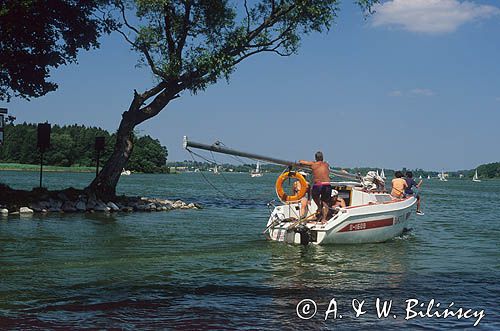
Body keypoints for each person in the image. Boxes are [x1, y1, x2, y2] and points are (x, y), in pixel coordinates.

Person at [299, 151, 331, 223]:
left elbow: (301, 162)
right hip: (327, 184)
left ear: (315, 158)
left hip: (318, 184)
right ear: (322, 158)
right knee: (325, 203)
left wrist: (302, 162)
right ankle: (324, 219)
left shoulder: (313, 164)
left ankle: (319, 207)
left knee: (315, 196)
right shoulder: (326, 164)